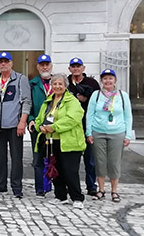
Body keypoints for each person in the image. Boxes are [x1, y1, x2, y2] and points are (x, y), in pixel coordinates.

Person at [35, 73, 86, 209]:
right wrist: (39, 126)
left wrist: (53, 127)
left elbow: (72, 119)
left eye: (60, 84)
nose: (57, 86)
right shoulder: (49, 101)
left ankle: (77, 197)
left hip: (69, 142)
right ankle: (60, 196)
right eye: (55, 84)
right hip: (52, 141)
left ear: (65, 86)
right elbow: (40, 117)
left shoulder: (72, 101)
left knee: (70, 170)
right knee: (55, 170)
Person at [0, 52, 31, 198]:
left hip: (14, 124)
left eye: (6, 61)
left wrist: (22, 121)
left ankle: (17, 187)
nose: (3, 64)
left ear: (11, 63)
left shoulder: (20, 79)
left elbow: (26, 101)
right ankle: (0, 185)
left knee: (16, 157)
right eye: (1, 62)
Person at [86, 69, 134, 203]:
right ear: (101, 81)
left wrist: (128, 135)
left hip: (117, 132)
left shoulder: (122, 96)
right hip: (98, 132)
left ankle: (114, 190)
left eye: (110, 78)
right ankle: (101, 189)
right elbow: (89, 114)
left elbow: (128, 116)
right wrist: (88, 132)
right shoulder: (96, 95)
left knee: (114, 162)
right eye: (105, 78)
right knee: (100, 162)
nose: (108, 81)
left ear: (115, 80)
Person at [68, 57, 101, 196]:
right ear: (69, 68)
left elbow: (99, 102)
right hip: (71, 126)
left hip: (88, 125)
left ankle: (91, 185)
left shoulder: (92, 83)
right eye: (73, 66)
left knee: (90, 159)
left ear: (83, 68)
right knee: (71, 160)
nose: (76, 69)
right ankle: (71, 185)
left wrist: (86, 99)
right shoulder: (66, 83)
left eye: (78, 66)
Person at [28, 54, 54, 196]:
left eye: (47, 64)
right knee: (38, 158)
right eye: (42, 64)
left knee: (55, 158)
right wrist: (30, 119)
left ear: (51, 66)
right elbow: (28, 104)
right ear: (38, 67)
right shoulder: (32, 84)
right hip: (37, 127)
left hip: (55, 128)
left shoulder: (58, 82)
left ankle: (56, 187)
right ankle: (40, 188)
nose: (45, 67)